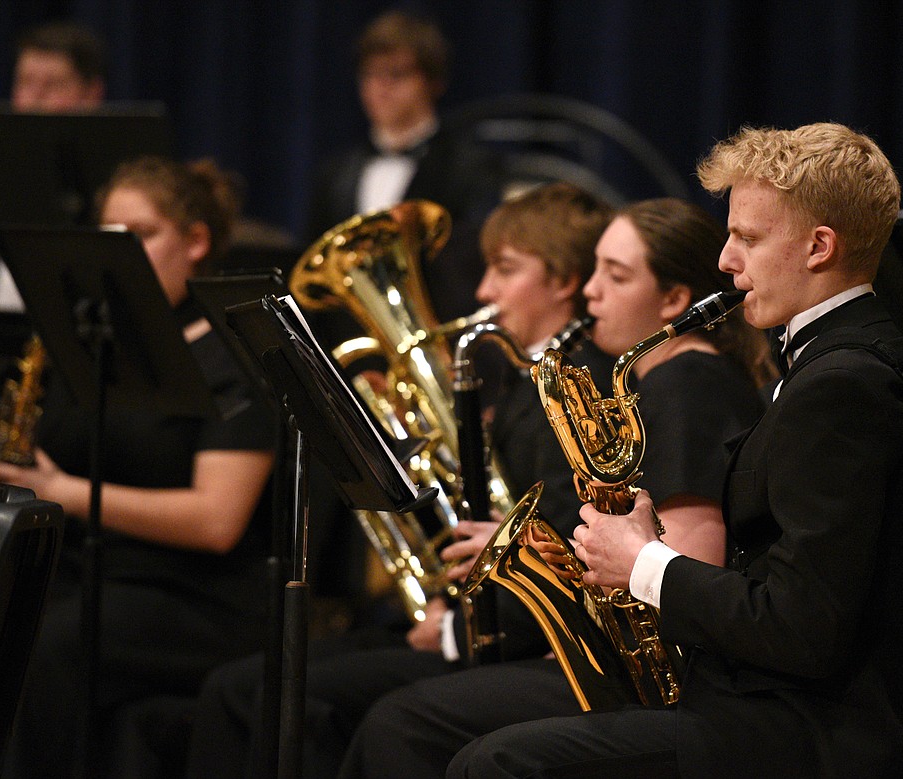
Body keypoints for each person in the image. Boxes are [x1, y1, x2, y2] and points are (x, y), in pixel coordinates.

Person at [441, 122, 903, 778]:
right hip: (799, 716)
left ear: (819, 247)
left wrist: (642, 561)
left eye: (747, 238)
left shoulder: (842, 382)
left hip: (803, 738)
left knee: (495, 763)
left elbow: (803, 623)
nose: (726, 261)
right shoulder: (874, 353)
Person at [182, 182, 615, 779]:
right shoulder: (523, 379)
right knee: (250, 682)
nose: (484, 290)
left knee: (278, 693)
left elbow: (558, 542)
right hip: (461, 618)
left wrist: (451, 634)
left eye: (504, 270)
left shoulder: (569, 388)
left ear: (565, 281)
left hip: (499, 634)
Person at [336, 196, 774, 778]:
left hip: (664, 683)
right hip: (634, 663)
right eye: (594, 270)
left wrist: (565, 616)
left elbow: (686, 576)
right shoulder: (663, 380)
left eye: (615, 276)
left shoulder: (688, 383)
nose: (589, 292)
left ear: (673, 301)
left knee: (406, 720)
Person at [0, 156, 278, 779]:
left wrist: (62, 492)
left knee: (46, 645)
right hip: (92, 570)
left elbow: (215, 521)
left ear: (196, 242)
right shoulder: (90, 344)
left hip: (196, 597)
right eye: (108, 236)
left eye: (141, 236)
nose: (117, 254)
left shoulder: (236, 357)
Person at [303, 8, 502, 325]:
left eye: (396, 74)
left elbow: (469, 270)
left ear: (433, 82)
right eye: (370, 74)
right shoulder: (334, 173)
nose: (380, 87)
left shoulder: (471, 167)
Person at [0, 20, 109, 312]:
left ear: (92, 94)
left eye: (53, 85)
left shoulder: (108, 187)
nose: (34, 98)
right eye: (25, 82)